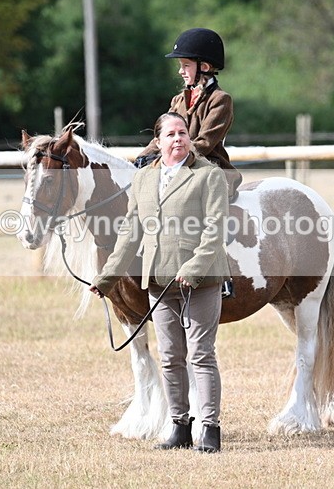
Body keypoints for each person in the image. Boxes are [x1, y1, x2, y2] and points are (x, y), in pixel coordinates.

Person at [90, 112, 229, 453]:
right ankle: (180, 426)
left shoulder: (208, 176)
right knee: (170, 356)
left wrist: (194, 268)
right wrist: (107, 277)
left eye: (183, 132)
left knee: (201, 355)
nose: (179, 138)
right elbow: (129, 233)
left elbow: (215, 230)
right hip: (158, 280)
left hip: (202, 280)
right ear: (159, 141)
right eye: (171, 134)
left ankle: (209, 429)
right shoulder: (144, 180)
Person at [134, 28, 242, 201]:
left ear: (204, 67)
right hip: (176, 166)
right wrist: (143, 158)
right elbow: (163, 136)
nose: (180, 71)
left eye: (185, 65)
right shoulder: (178, 101)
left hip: (209, 170)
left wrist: (168, 157)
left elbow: (204, 143)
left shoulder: (220, 100)